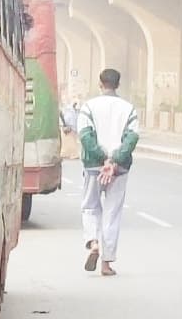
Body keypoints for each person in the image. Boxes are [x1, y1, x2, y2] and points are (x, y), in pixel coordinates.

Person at [77, 68, 139, 276]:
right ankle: (106, 263)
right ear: (118, 85)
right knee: (112, 214)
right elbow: (131, 138)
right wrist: (113, 161)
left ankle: (93, 242)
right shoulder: (129, 109)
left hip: (94, 168)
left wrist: (102, 159)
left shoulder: (88, 107)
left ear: (100, 84)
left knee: (90, 208)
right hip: (119, 169)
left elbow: (85, 136)